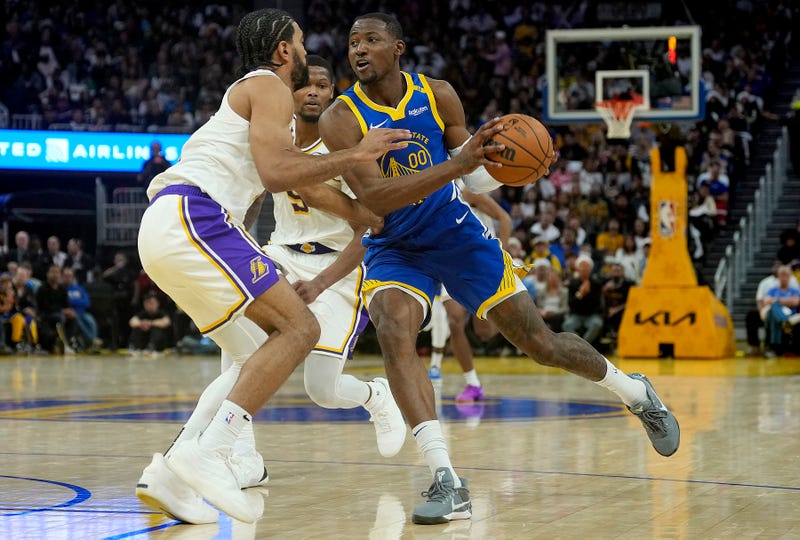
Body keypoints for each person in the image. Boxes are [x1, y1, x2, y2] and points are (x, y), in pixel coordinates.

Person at [319, 12, 680, 525]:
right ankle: (447, 478)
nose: (358, 49)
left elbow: (477, 174)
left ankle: (634, 392)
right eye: (353, 42)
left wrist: (511, 167)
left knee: (541, 344)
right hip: (395, 244)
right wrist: (459, 165)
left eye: (371, 40)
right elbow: (376, 194)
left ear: (398, 48)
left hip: (455, 233)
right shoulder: (341, 117)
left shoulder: (438, 94)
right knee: (394, 327)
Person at [135, 8, 410, 525]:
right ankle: (211, 454)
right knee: (300, 328)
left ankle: (172, 473)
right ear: (285, 50)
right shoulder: (269, 85)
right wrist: (358, 157)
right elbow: (279, 173)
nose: (307, 54)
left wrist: (366, 214)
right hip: (196, 216)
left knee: (254, 351)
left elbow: (296, 184)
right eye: (302, 44)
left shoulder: (263, 102)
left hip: (171, 229)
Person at [259, 54, 405, 456]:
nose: (313, 92)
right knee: (239, 338)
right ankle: (238, 455)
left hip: (336, 268)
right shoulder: (275, 137)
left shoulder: (347, 147)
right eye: (305, 84)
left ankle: (375, 395)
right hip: (280, 253)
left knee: (321, 390)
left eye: (323, 86)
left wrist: (321, 283)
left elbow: (372, 225)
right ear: (289, 90)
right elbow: (256, 193)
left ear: (331, 94)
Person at [428, 181, 512, 403]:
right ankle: (473, 384)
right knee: (454, 321)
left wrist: (501, 255)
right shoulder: (434, 193)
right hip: (451, 262)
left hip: (481, 262)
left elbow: (505, 219)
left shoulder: (469, 192)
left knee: (485, 331)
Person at [63, 267, 101, 351]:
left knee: (91, 320)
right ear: (62, 277)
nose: (68, 278)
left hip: (82, 312)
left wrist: (72, 301)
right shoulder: (61, 289)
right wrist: (77, 301)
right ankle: (92, 341)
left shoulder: (79, 289)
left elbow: (87, 302)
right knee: (77, 320)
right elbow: (64, 302)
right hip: (69, 313)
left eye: (70, 276)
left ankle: (92, 342)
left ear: (73, 278)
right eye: (66, 276)